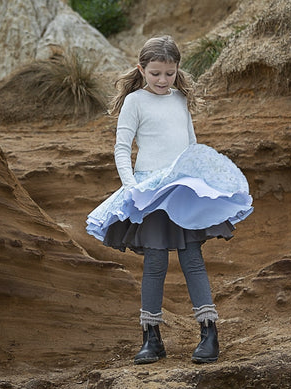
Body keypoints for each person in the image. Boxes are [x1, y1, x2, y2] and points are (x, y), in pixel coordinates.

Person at [86, 35, 253, 365]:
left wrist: (203, 182)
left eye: (170, 73)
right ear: (142, 69)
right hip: (150, 189)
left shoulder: (180, 99)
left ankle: (209, 333)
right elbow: (122, 148)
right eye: (156, 74)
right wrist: (132, 186)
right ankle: (152, 338)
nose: (163, 80)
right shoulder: (134, 102)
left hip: (181, 189)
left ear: (177, 70)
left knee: (192, 259)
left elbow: (191, 146)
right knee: (156, 263)